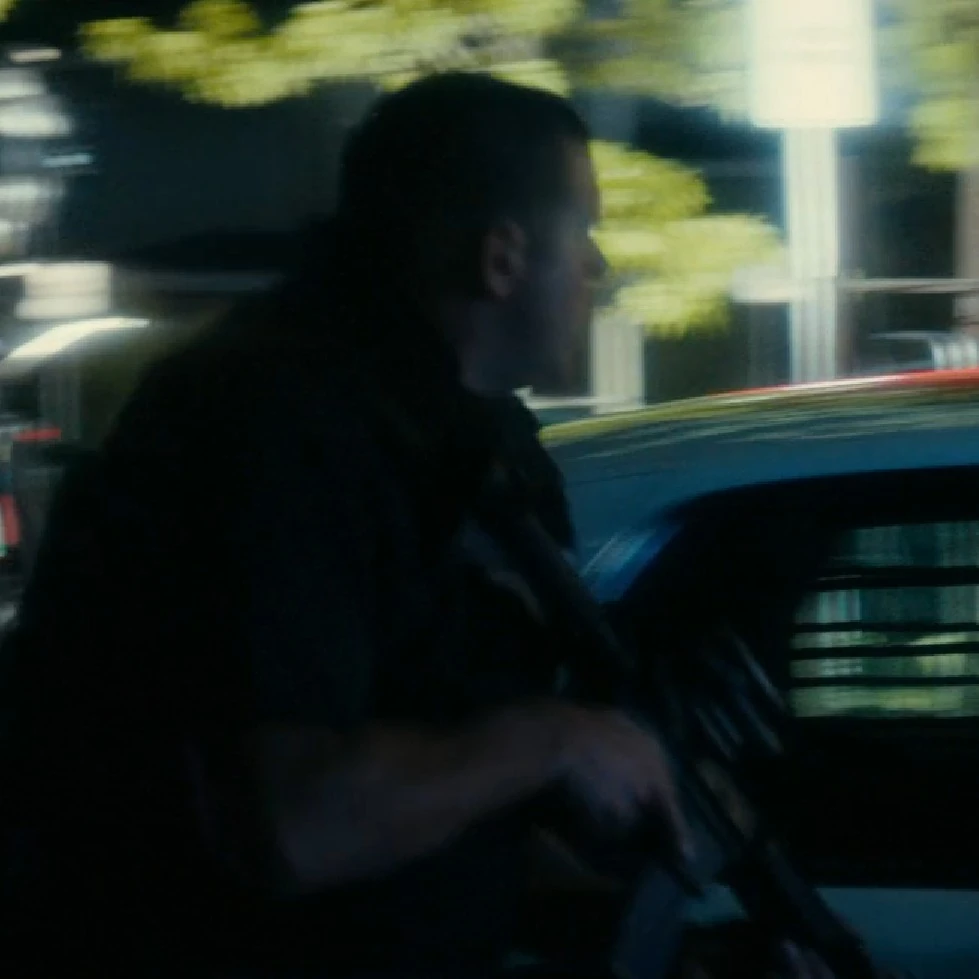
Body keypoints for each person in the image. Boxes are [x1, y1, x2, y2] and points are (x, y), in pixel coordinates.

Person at [1, 72, 833, 978]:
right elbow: (292, 823)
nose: (598, 269)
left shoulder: (457, 437)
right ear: (501, 259)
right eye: (583, 235)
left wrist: (655, 939)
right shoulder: (275, 429)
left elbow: (435, 819)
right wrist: (554, 741)